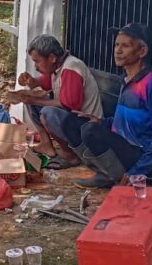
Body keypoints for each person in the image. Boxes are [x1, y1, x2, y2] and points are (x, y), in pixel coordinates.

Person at [70, 23, 152, 188]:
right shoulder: (126, 80)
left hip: (139, 154)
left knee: (89, 131)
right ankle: (106, 173)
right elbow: (127, 121)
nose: (118, 50)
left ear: (142, 51)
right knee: (80, 123)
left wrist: (138, 170)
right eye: (116, 45)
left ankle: (113, 176)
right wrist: (102, 122)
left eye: (125, 46)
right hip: (123, 146)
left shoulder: (151, 83)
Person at [16, 35, 103, 169]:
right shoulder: (55, 67)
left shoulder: (71, 67)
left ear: (52, 58)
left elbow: (68, 104)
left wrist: (35, 99)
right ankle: (46, 144)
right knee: (33, 102)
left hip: (88, 127)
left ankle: (70, 155)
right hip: (75, 121)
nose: (36, 66)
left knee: (48, 113)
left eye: (37, 61)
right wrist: (30, 81)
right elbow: (42, 84)